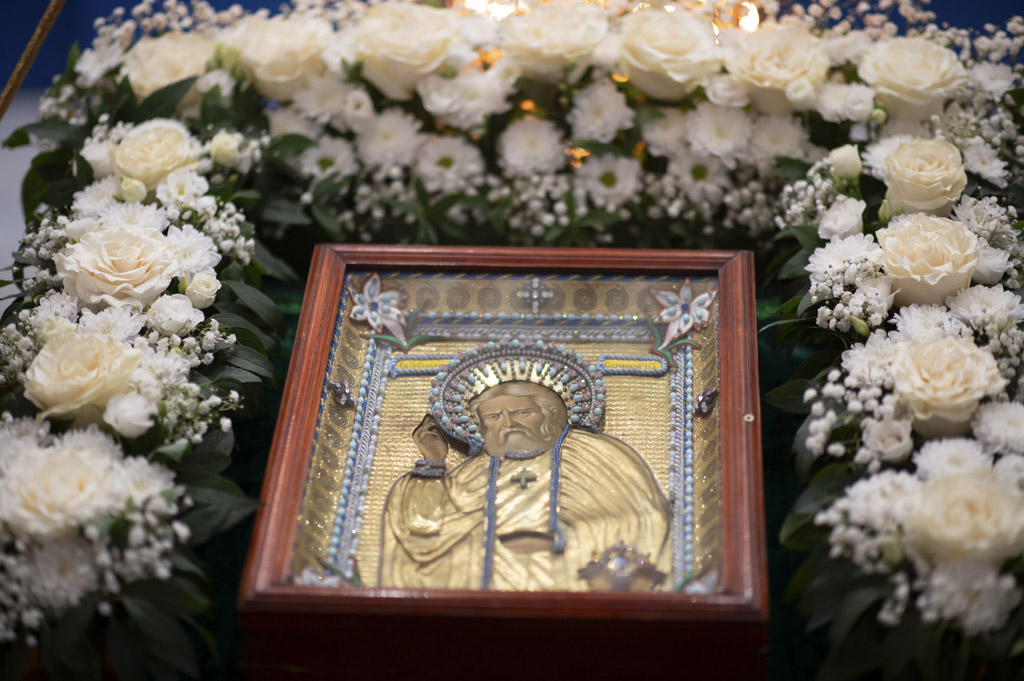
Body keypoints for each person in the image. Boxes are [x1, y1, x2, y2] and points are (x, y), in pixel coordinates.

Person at [379, 380, 671, 591]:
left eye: (521, 412)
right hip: (488, 586)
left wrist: (580, 541)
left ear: (550, 414)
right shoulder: (476, 470)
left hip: (577, 582)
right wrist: (433, 461)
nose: (508, 423)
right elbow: (423, 528)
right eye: (494, 417)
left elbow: (644, 517)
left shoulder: (596, 454)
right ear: (482, 427)